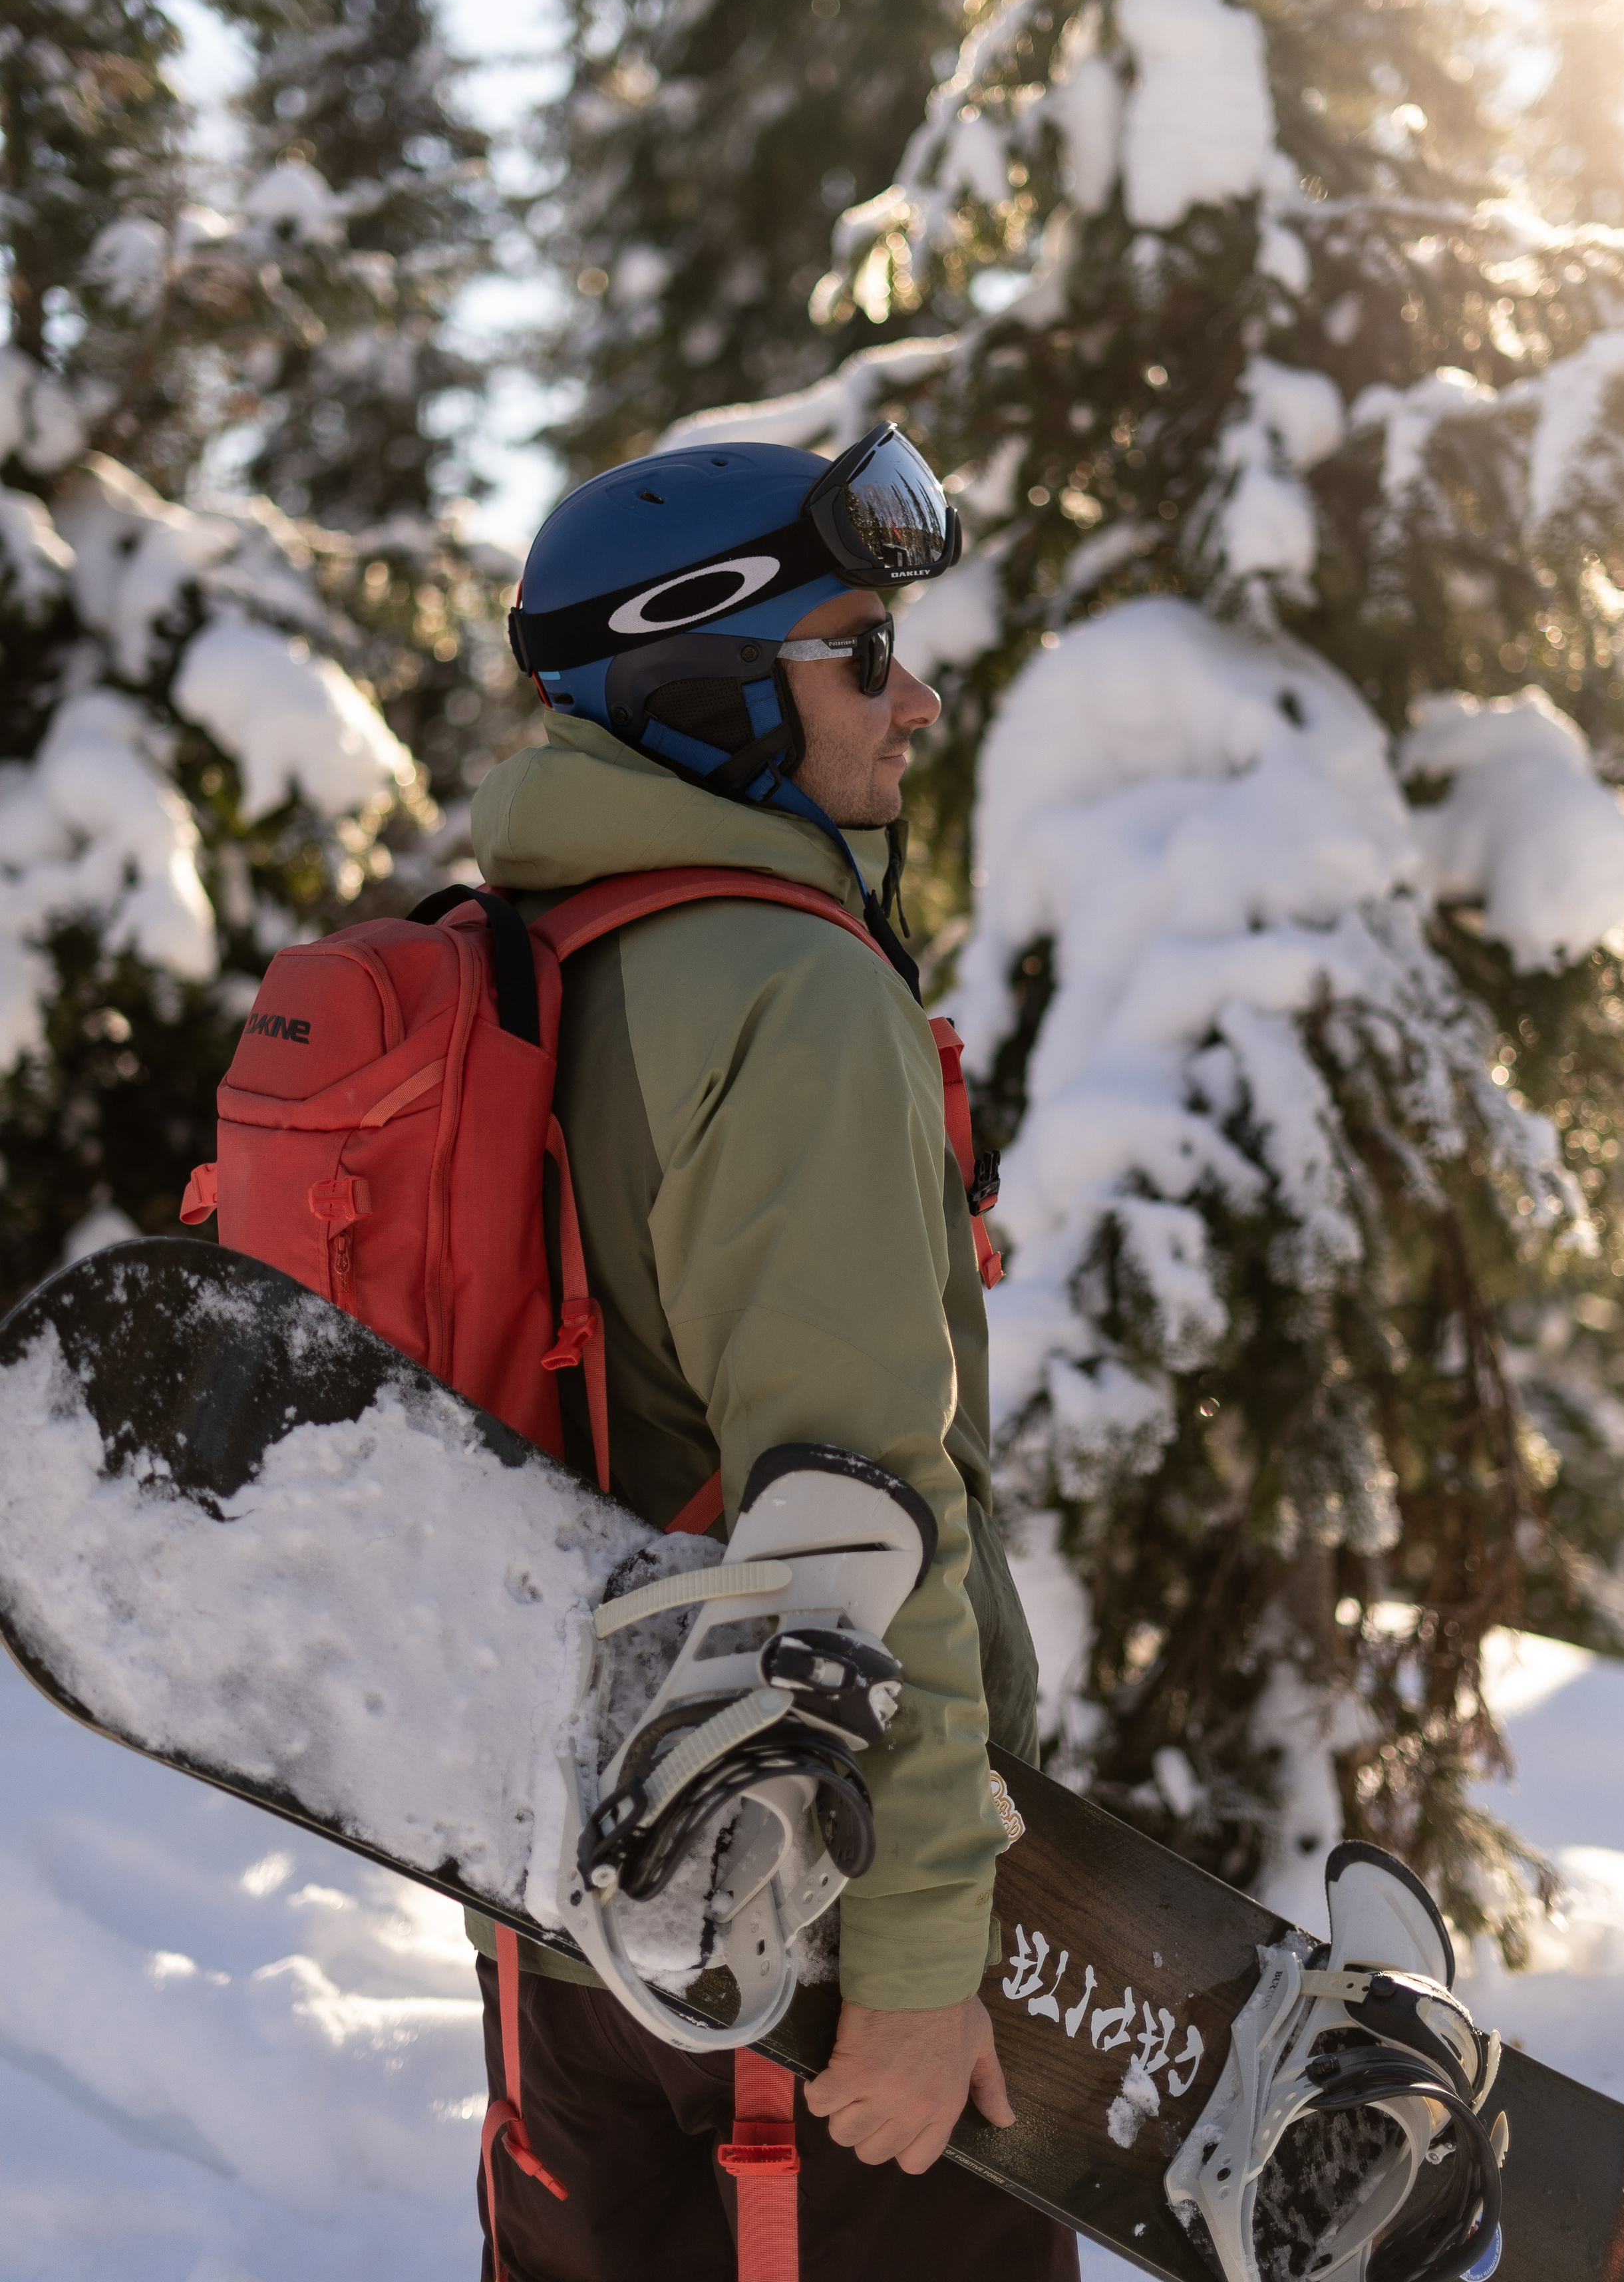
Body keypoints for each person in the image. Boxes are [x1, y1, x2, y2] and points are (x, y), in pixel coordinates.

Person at [465, 426, 1076, 2282]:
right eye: (863, 655)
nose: (917, 702)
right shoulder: (788, 995)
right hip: (796, 1923)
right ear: (704, 685)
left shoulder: (531, 948)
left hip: (562, 1913)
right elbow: (860, 1508)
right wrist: (918, 1967)